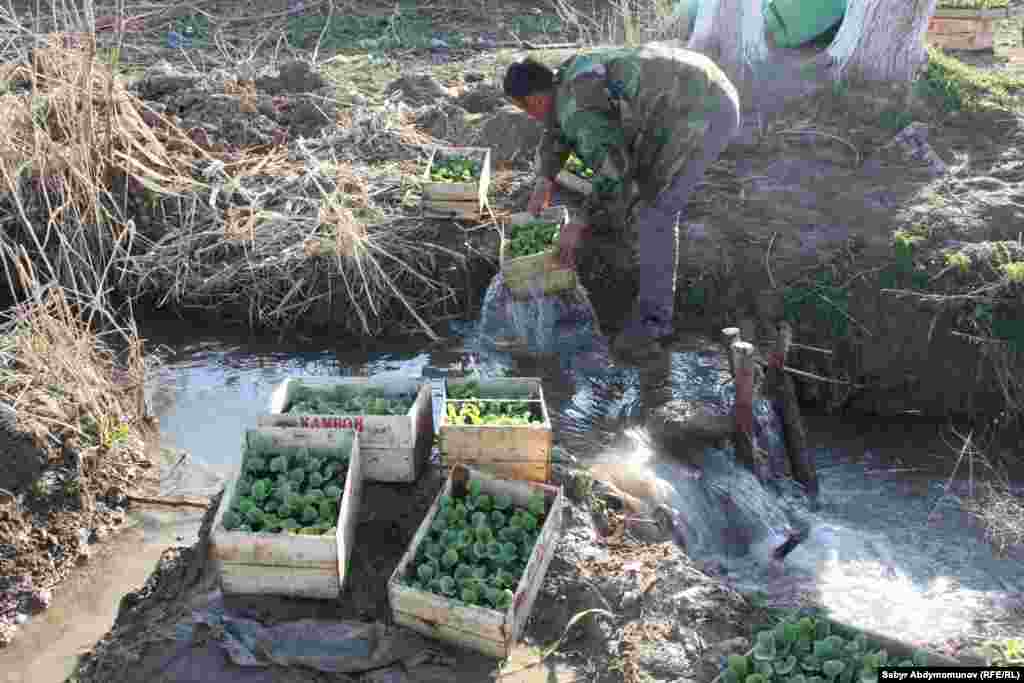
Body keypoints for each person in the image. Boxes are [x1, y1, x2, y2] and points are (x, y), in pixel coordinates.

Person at [502, 44, 741, 354]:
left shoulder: (577, 106)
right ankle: (644, 277)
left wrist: (579, 222)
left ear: (534, 99)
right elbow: (558, 126)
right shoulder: (566, 80)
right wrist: (544, 178)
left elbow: (615, 173)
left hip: (704, 110)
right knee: (642, 194)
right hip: (695, 89)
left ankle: (654, 324)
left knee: (657, 212)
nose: (531, 117)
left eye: (525, 109)